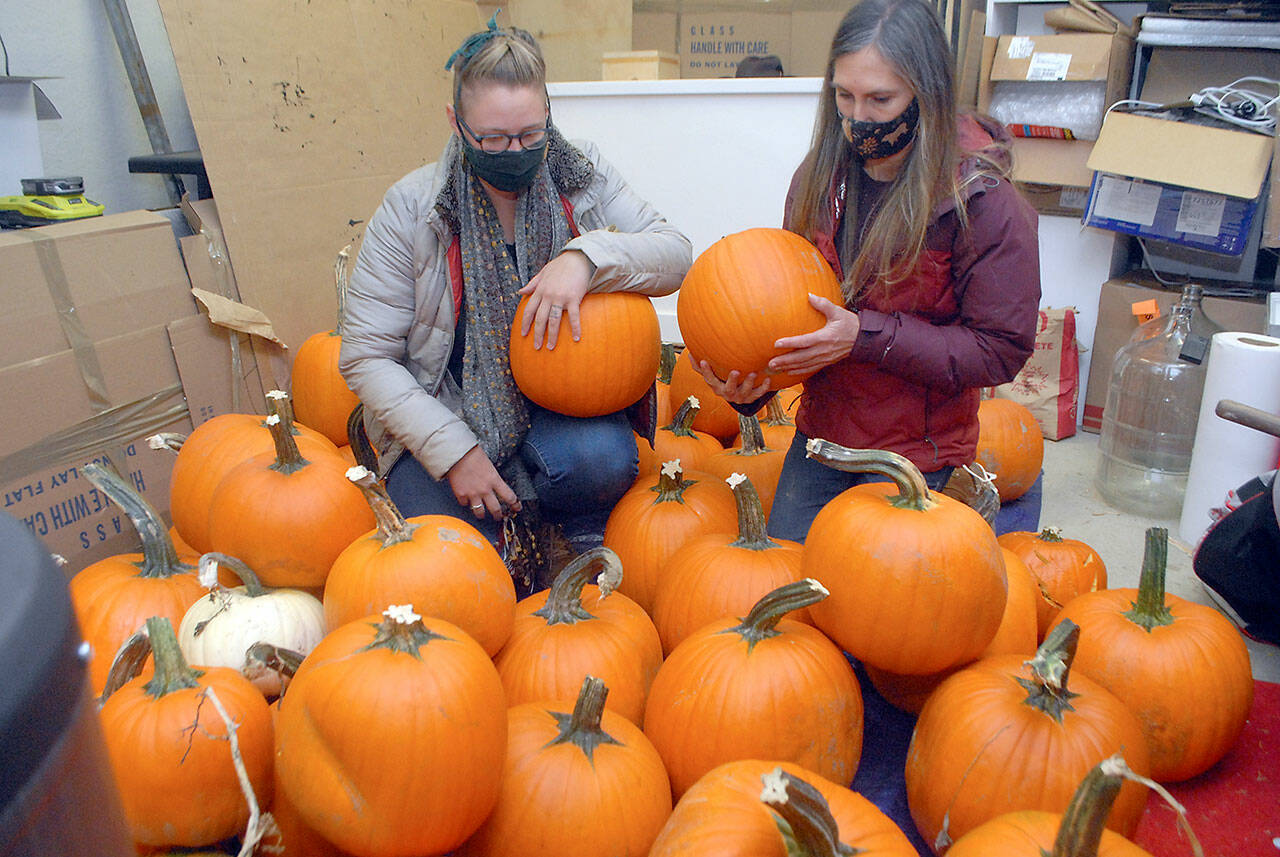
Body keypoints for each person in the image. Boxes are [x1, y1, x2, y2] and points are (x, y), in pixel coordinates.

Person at [340, 19, 691, 580]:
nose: (516, 152)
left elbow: (675, 253)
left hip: (561, 408)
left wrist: (586, 257)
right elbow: (365, 355)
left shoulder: (582, 175)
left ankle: (555, 516)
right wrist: (453, 451)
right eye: (495, 140)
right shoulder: (411, 209)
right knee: (452, 567)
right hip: (450, 409)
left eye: (531, 135)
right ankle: (519, 527)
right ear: (456, 123)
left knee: (604, 461)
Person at [697, 0, 1040, 543]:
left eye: (881, 99)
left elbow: (1000, 348)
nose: (859, 117)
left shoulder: (983, 203)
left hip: (921, 457)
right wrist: (753, 385)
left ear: (927, 94)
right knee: (792, 607)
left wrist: (864, 337)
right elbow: (792, 307)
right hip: (822, 439)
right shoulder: (816, 181)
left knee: (883, 616)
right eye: (844, 96)